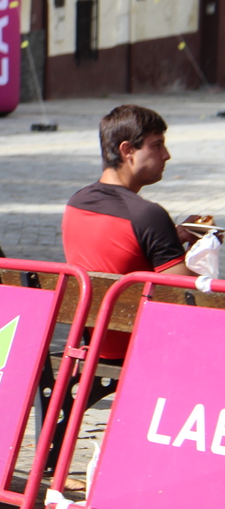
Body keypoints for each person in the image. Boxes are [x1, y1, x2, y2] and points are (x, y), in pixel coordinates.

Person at [62, 104, 204, 360]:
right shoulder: (147, 215)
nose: (166, 155)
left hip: (96, 344)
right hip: (146, 347)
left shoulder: (76, 203)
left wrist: (172, 237)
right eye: (157, 145)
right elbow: (188, 296)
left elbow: (118, 251)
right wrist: (203, 250)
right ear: (127, 150)